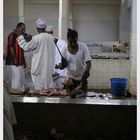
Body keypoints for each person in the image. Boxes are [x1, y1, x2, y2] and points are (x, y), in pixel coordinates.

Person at [17, 18, 56, 90]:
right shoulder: (51, 38)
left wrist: (20, 38)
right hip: (48, 69)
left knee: (40, 90)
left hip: (38, 69)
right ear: (45, 27)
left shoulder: (36, 38)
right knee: (48, 90)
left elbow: (26, 47)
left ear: (37, 28)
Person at [5, 22, 29, 91]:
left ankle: (20, 93)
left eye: (24, 29)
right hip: (14, 61)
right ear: (17, 28)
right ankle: (15, 93)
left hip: (20, 61)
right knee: (16, 79)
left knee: (21, 78)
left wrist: (24, 61)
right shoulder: (12, 35)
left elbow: (21, 50)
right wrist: (15, 59)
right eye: (22, 29)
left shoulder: (21, 36)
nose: (23, 31)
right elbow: (11, 47)